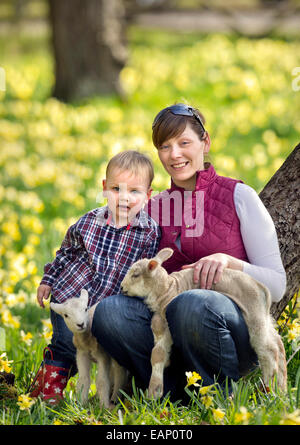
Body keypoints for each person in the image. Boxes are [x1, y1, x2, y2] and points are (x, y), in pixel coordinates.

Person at [91, 103, 286, 400]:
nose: (174, 155)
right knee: (110, 312)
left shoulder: (238, 196)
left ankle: (218, 392)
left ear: (205, 143)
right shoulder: (151, 207)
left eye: (184, 143)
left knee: (191, 303)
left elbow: (277, 284)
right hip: (166, 332)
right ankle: (170, 391)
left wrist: (230, 261)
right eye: (165, 146)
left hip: (227, 330)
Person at [29, 150, 160, 403]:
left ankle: (110, 395)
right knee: (67, 344)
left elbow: (145, 275)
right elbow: (66, 252)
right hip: (71, 296)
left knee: (101, 351)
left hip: (106, 306)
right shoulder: (89, 222)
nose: (124, 198)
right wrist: (48, 279)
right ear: (103, 188)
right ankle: (45, 395)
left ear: (148, 195)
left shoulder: (149, 233)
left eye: (134, 191)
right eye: (116, 189)